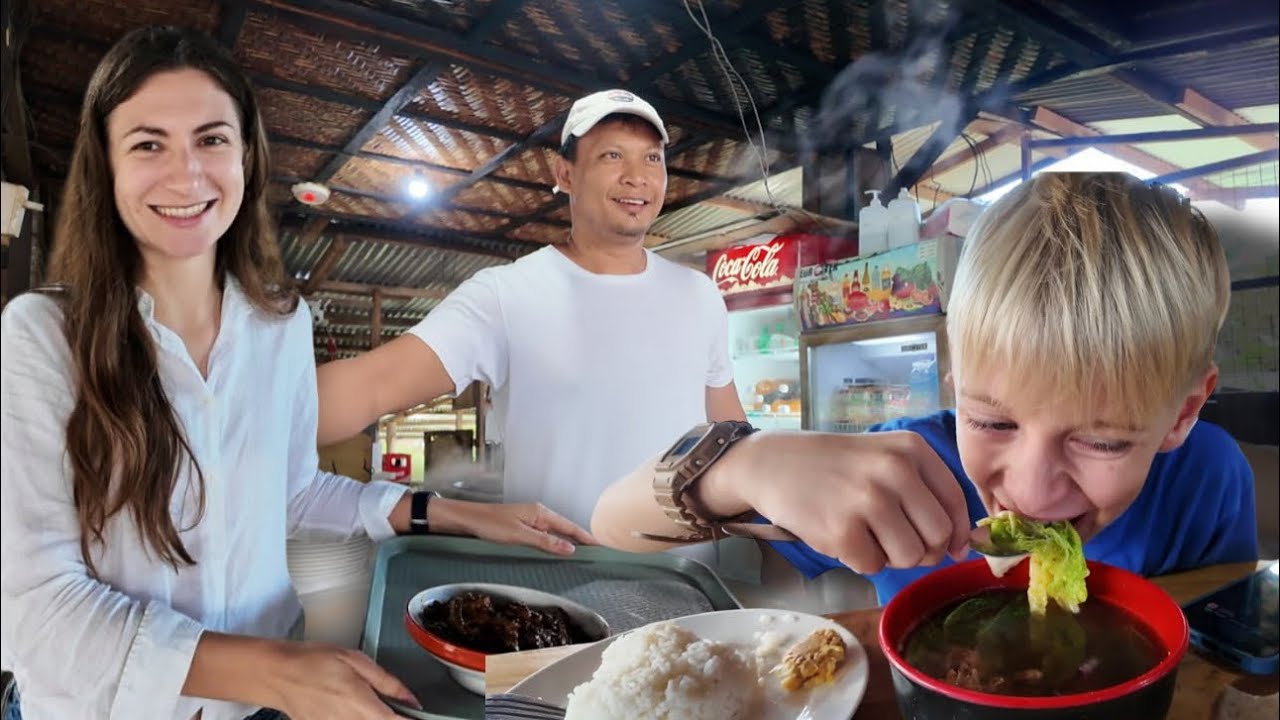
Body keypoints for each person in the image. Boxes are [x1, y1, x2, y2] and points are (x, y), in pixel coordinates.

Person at [0, 26, 590, 720]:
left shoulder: (280, 325)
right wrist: (273, 674)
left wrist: (458, 514)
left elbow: (291, 490)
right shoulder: (41, 338)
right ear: (105, 163)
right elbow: (32, 603)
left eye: (212, 139)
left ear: (246, 156)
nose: (186, 174)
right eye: (148, 143)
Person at [591, 171, 1259, 604]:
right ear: (953, 384)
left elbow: (1217, 650)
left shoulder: (1208, 479)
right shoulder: (900, 467)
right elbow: (610, 527)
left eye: (1103, 442)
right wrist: (744, 464)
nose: (1028, 493)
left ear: (1182, 414)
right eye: (993, 422)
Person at [314, 89, 746, 531]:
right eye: (612, 155)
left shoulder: (699, 295)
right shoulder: (507, 295)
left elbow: (730, 434)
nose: (638, 177)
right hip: (558, 580)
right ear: (566, 174)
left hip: (690, 583)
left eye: (652, 159)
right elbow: (374, 384)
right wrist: (250, 416)